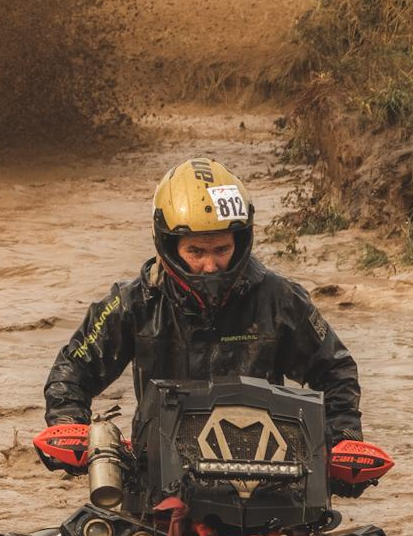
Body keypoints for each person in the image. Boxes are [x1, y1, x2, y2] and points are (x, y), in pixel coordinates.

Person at [44, 157, 362, 448]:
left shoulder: (279, 298)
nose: (210, 266)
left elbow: (334, 369)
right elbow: (72, 370)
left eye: (221, 250)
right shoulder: (133, 303)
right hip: (159, 468)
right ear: (170, 246)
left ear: (240, 243)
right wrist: (68, 424)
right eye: (196, 252)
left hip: (266, 465)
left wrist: (342, 435)